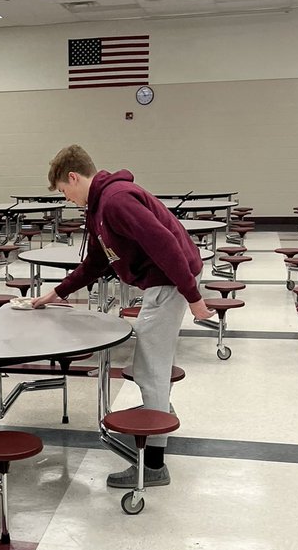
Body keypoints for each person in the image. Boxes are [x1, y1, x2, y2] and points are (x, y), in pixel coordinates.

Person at [31, 144, 213, 489]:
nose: (66, 198)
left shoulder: (116, 200)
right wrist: (55, 294)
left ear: (73, 177)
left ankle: (155, 464)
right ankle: (159, 421)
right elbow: (96, 263)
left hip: (170, 283)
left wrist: (193, 297)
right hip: (161, 283)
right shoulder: (99, 207)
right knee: (147, 366)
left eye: (64, 191)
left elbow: (166, 244)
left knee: (151, 369)